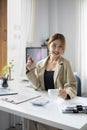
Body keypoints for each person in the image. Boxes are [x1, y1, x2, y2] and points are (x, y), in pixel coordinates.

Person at [26, 33, 77, 130]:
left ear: (63, 49)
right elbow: (36, 86)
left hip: (58, 104)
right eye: (54, 45)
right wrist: (31, 70)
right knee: (30, 120)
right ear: (49, 45)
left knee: (41, 125)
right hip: (45, 103)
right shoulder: (41, 64)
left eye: (60, 47)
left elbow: (72, 85)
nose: (56, 49)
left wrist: (66, 93)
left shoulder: (66, 63)